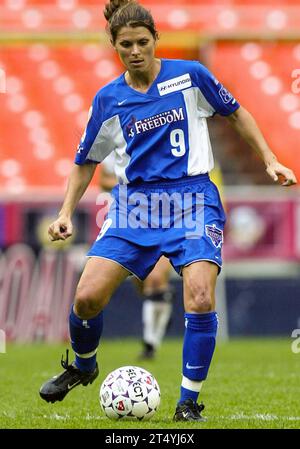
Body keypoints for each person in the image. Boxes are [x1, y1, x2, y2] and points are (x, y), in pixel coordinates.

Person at [39, 0, 297, 422]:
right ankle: (84, 367)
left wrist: (270, 159)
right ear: (114, 46)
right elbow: (85, 160)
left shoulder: (190, 77)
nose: (136, 50)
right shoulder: (108, 100)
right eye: (126, 45)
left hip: (193, 198)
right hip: (135, 205)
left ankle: (188, 401)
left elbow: (236, 113)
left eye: (143, 42)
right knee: (86, 299)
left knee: (199, 297)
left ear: (156, 39)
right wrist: (67, 210)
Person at [99, 151, 174, 360]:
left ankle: (150, 343)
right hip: (128, 218)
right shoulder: (113, 150)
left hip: (164, 213)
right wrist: (133, 180)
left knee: (156, 278)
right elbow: (103, 181)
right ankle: (162, 303)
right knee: (141, 280)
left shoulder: (157, 136)